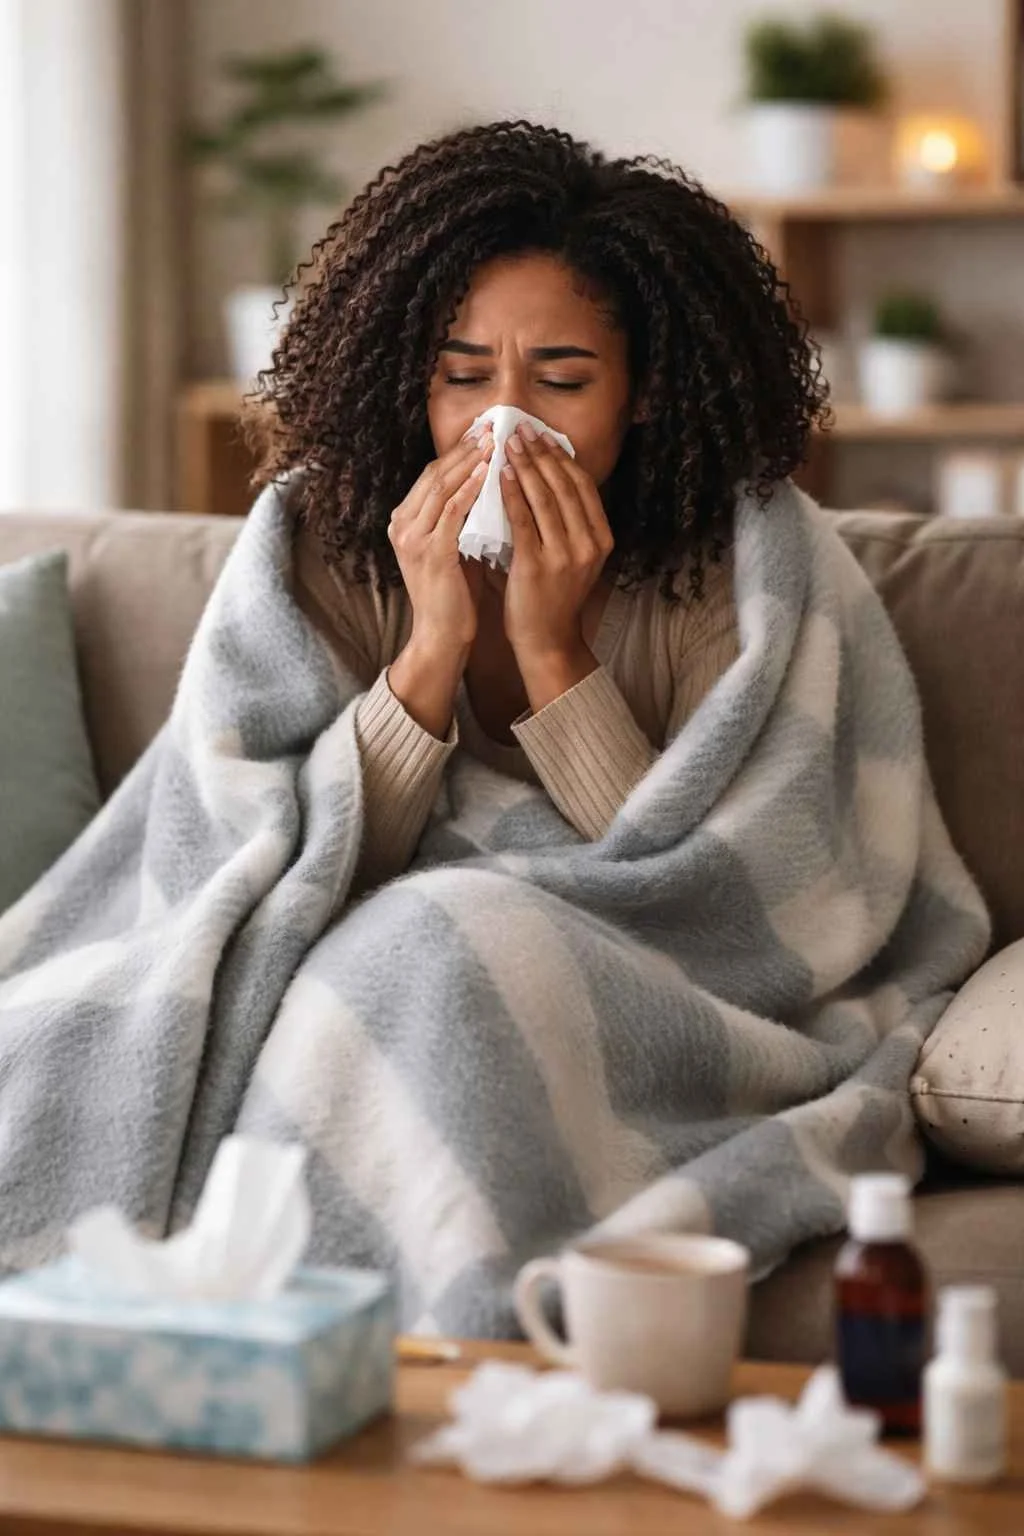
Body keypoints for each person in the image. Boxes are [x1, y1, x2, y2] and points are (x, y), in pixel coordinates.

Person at [244, 118, 829, 892]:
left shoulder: (727, 576)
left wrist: (551, 650)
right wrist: (434, 644)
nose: (507, 423)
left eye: (561, 382)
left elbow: (700, 894)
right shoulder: (332, 546)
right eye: (464, 378)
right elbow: (311, 880)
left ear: (645, 392)